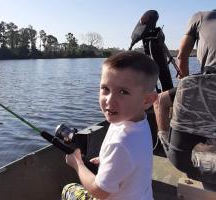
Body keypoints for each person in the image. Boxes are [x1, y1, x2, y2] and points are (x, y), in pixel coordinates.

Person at [61, 51, 159, 200]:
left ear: (147, 100)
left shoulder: (120, 143)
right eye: (105, 89)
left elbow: (98, 191)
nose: (110, 100)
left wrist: (77, 163)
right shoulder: (139, 122)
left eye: (123, 92)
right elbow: (130, 157)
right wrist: (105, 160)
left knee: (69, 189)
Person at [154, 10, 216, 135]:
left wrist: (185, 90)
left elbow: (182, 56)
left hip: (211, 77)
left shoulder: (201, 17)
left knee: (160, 101)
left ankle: (167, 144)